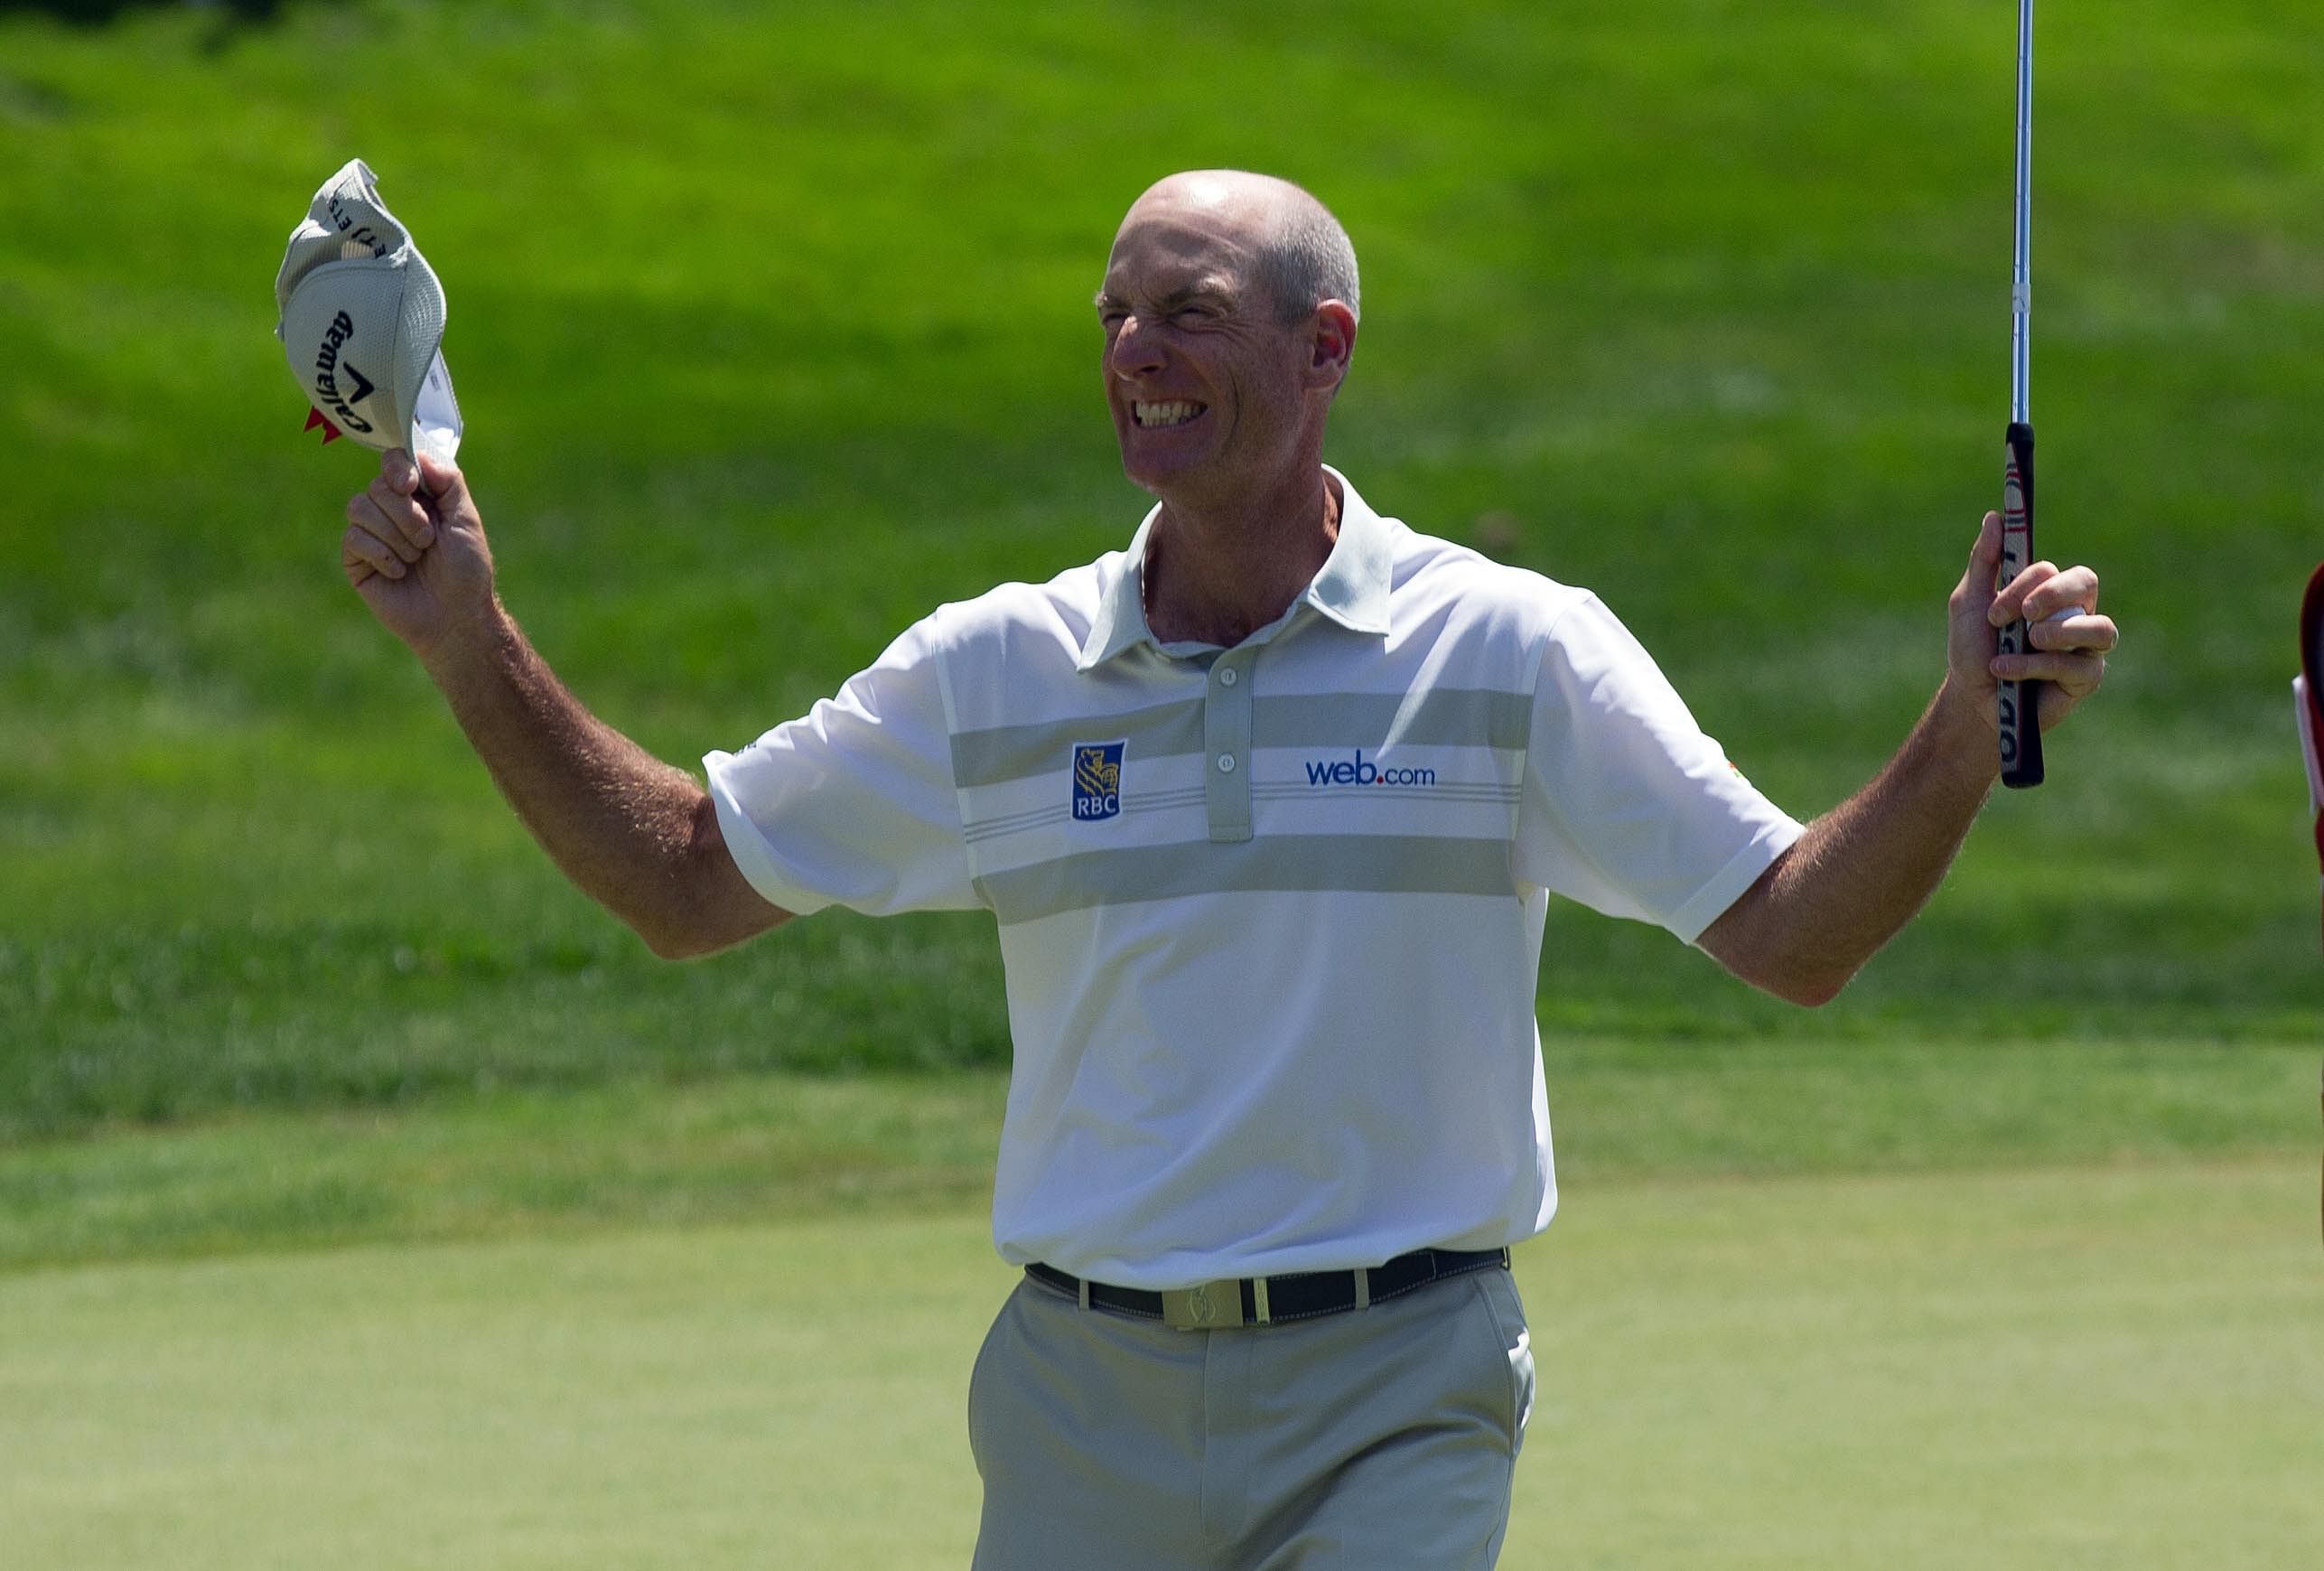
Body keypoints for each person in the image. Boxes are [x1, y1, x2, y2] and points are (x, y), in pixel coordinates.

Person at [339, 170, 2117, 1567]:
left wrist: (1966, 723)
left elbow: (1795, 932)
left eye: (1186, 312)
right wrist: (467, 643)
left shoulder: (1505, 654)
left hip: (1397, 1388)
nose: (1135, 351)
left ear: (1324, 348)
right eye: (1115, 315)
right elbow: (682, 880)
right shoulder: (999, 673)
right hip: (1081, 1402)